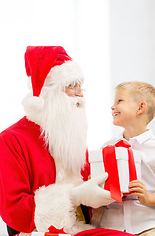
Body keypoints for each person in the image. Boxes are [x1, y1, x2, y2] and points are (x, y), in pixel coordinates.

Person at [0, 46, 134, 236]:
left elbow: (90, 188)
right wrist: (72, 197)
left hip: (83, 228)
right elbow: (14, 212)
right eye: (72, 86)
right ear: (50, 92)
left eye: (81, 87)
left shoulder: (71, 137)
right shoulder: (11, 140)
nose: (80, 94)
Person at [95, 81, 155, 236]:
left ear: (140, 107)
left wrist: (149, 198)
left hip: (149, 226)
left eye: (119, 101)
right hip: (112, 226)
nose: (112, 106)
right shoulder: (107, 148)